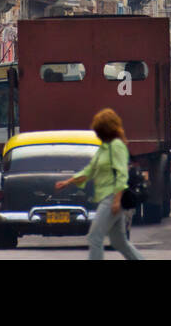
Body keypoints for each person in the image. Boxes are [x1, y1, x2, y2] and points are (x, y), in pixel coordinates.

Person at [54, 108, 144, 260]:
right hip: (108, 199)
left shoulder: (117, 146)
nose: (97, 133)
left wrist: (116, 200)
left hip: (112, 199)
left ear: (106, 130)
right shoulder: (104, 148)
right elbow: (89, 170)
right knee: (119, 242)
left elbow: (122, 174)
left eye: (99, 130)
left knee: (94, 237)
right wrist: (68, 182)